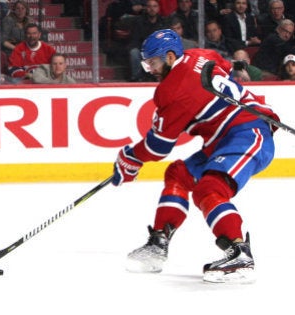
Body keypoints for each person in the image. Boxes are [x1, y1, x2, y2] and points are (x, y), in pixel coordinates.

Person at [115, 29, 278, 283]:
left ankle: (239, 254)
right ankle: (159, 242)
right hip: (223, 139)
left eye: (153, 63)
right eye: (146, 63)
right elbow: (223, 64)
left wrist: (131, 157)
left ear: (170, 57)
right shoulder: (199, 54)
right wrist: (233, 67)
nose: (150, 69)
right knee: (179, 174)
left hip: (247, 132)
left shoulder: (172, 90)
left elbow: (158, 147)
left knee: (209, 189)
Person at [127, 0, 167, 82]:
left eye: (154, 6)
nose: (152, 9)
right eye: (149, 6)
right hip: (143, 50)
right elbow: (134, 40)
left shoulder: (163, 22)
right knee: (134, 52)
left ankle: (161, 77)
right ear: (146, 8)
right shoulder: (138, 22)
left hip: (158, 51)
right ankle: (137, 78)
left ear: (159, 8)